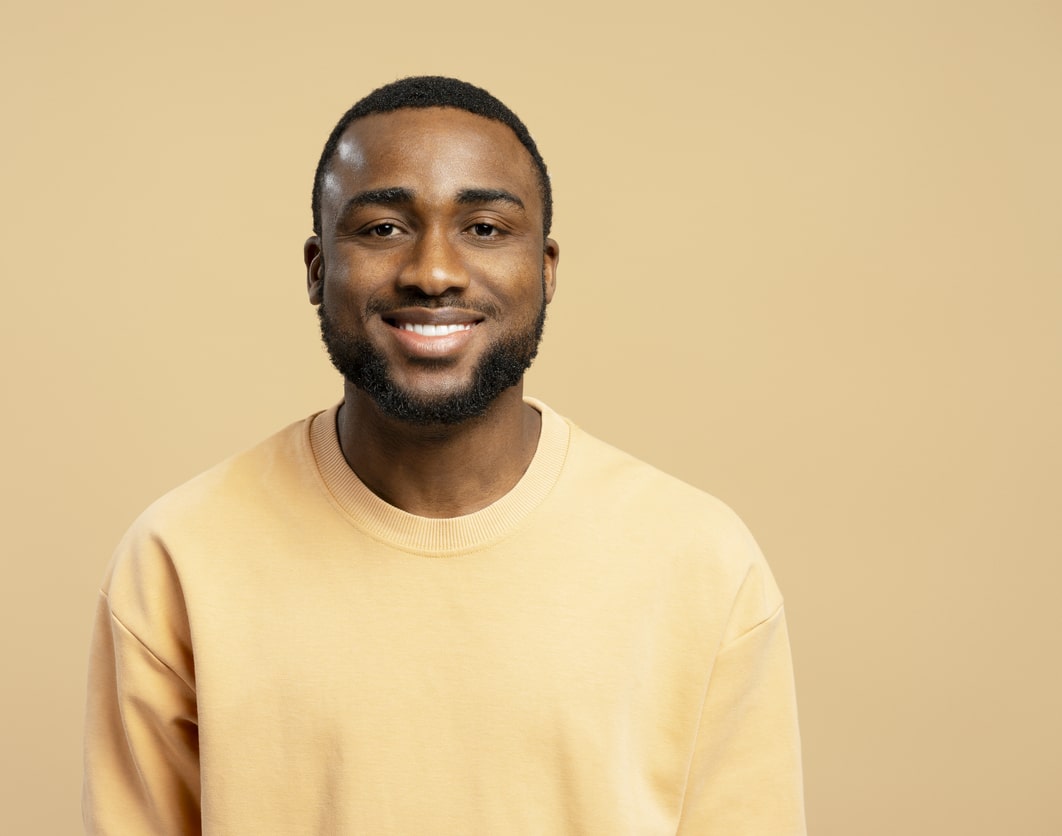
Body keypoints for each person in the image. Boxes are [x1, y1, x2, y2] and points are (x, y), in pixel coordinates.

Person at [82, 76, 806, 835]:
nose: (433, 272)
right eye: (383, 229)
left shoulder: (700, 560)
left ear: (547, 269)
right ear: (316, 268)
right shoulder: (180, 558)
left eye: (485, 228)